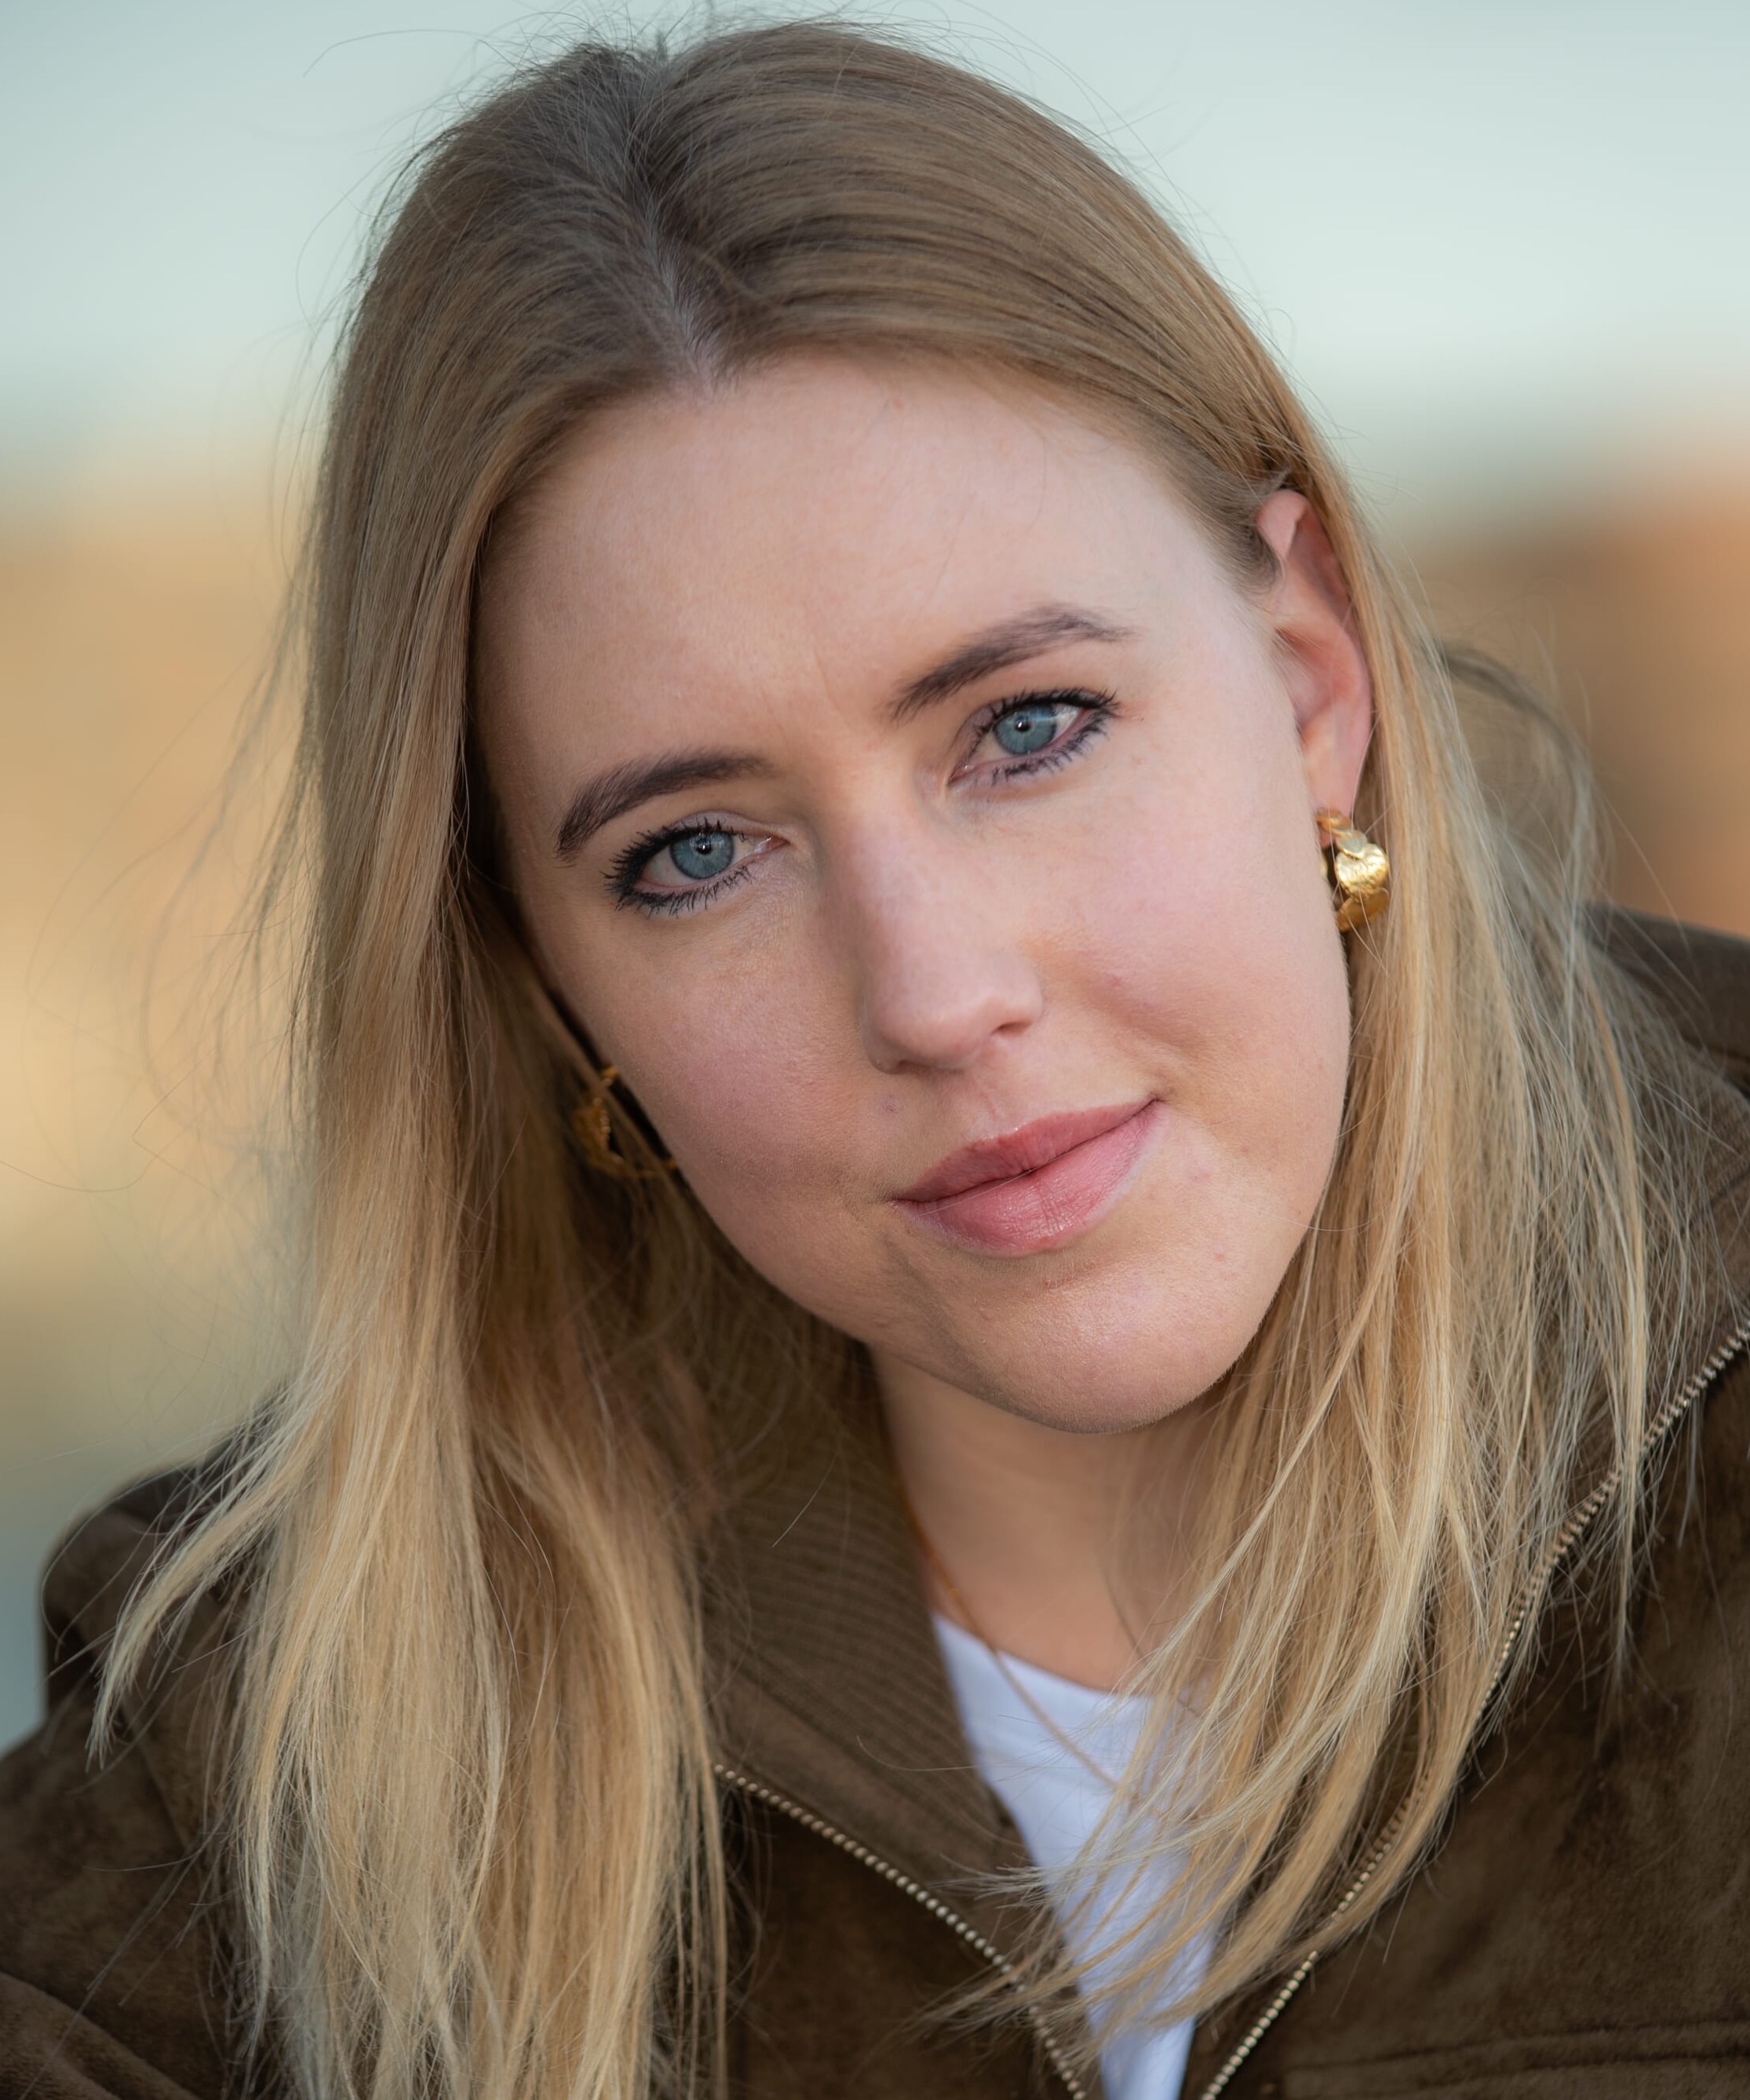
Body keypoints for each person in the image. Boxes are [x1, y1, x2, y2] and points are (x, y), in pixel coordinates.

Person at [5, 22, 1750, 2100]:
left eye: (1028, 728)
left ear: (1306, 682)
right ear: (544, 978)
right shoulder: (264, 1742)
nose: (929, 992)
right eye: (695, 852)